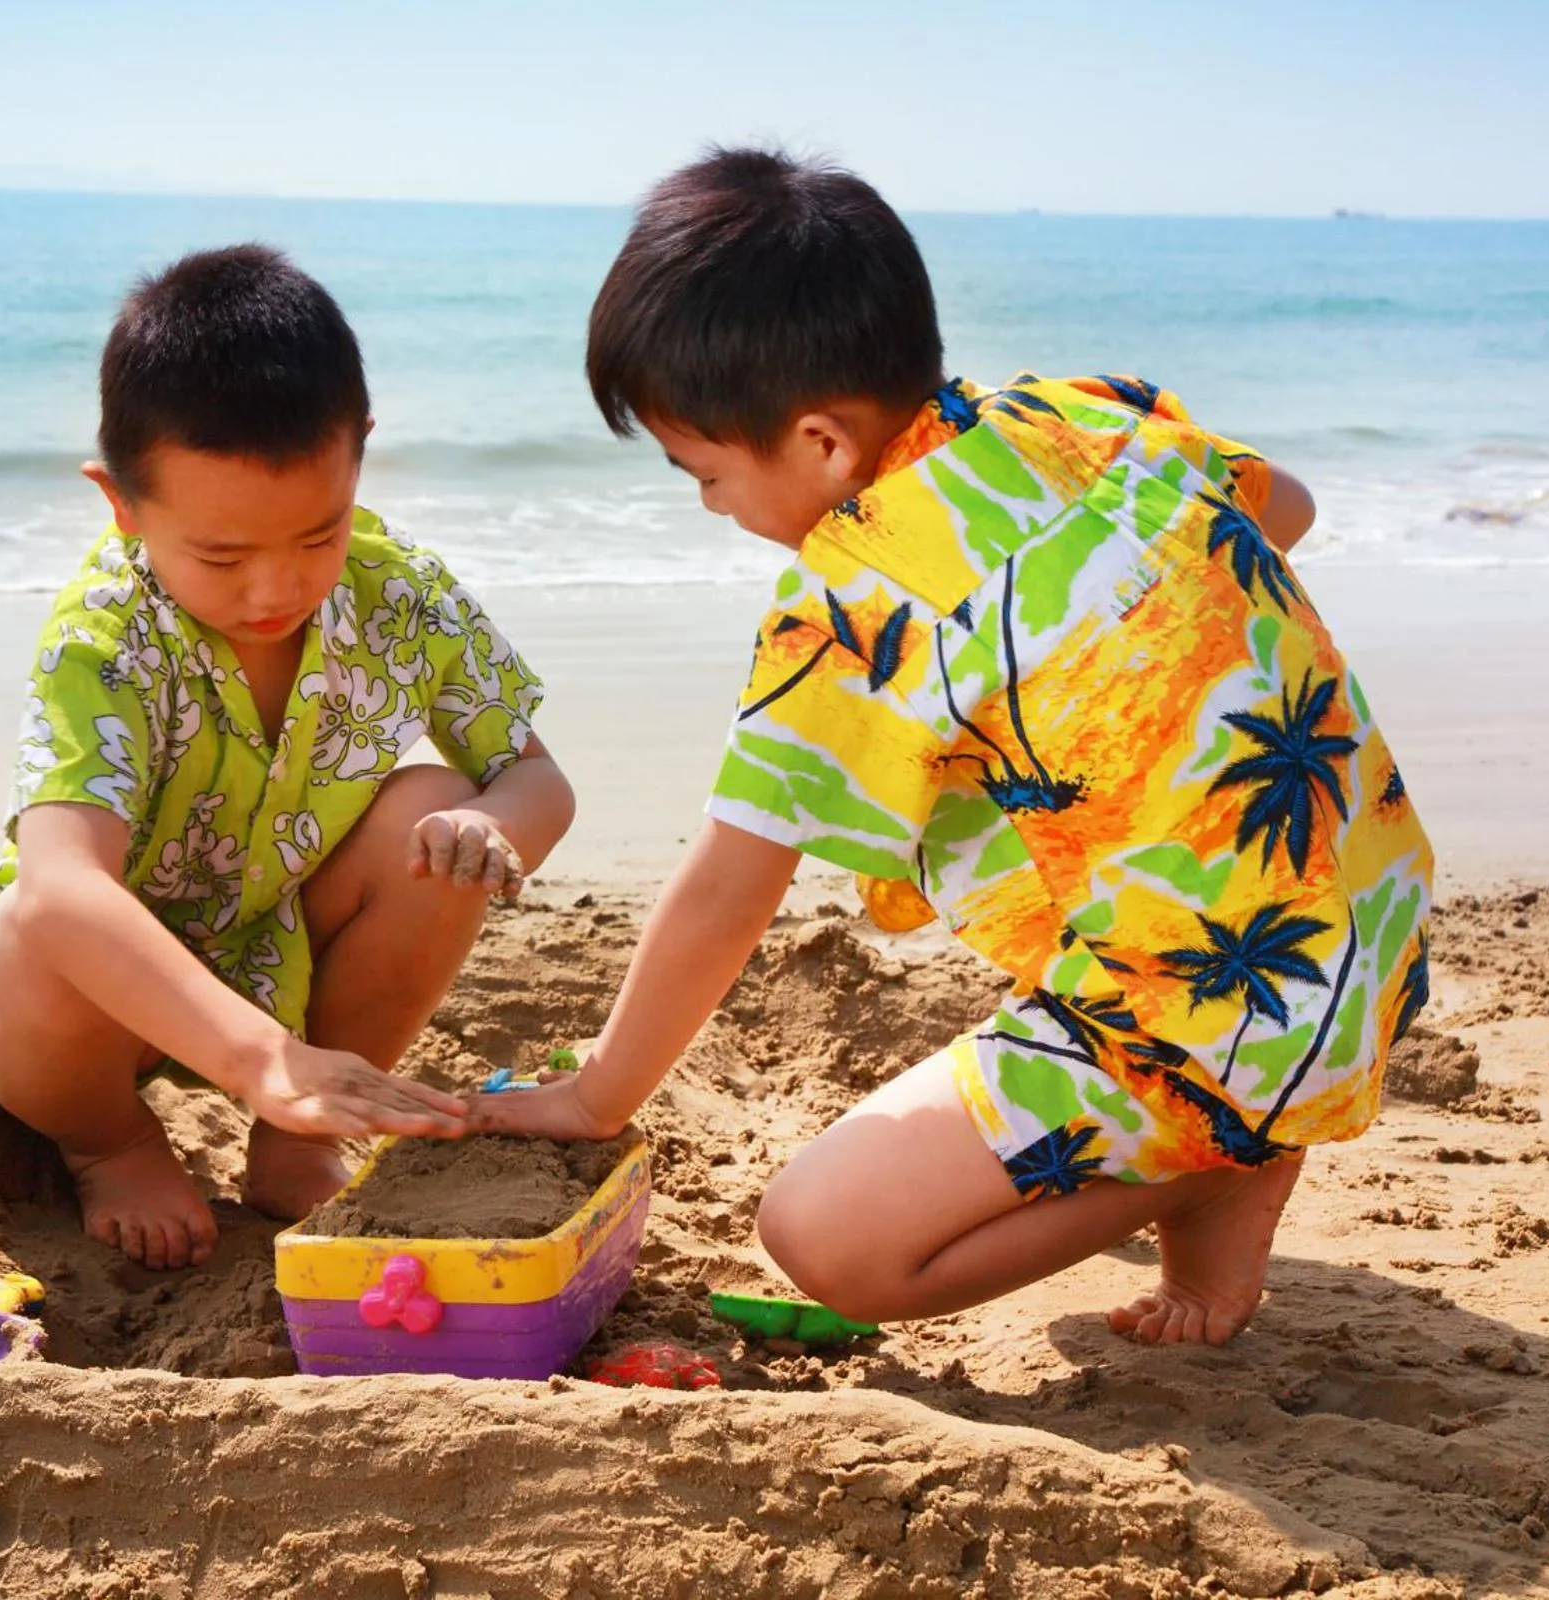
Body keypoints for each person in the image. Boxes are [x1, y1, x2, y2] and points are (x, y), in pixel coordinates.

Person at [469, 149, 1431, 1346]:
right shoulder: (1080, 413)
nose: (709, 505)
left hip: (1217, 1017)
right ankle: (1220, 1148)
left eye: (705, 473)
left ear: (821, 442)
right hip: (1371, 942)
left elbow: (731, 881)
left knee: (827, 1238)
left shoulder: (852, 612)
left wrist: (597, 1092)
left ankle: (1217, 1163)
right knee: (1038, 797)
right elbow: (1283, 509)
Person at [0, 245, 575, 1270]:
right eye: (220, 555)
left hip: (283, 951)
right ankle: (113, 1143)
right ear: (121, 504)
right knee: (39, 935)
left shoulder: (396, 591)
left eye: (318, 534)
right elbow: (60, 886)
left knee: (437, 805)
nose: (276, 587)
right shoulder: (106, 634)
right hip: (93, 1002)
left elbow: (538, 778)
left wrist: (494, 826)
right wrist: (256, 1054)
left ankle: (297, 1135)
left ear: (358, 455)